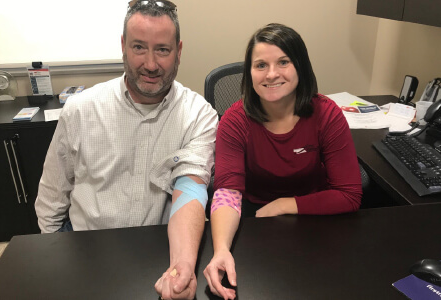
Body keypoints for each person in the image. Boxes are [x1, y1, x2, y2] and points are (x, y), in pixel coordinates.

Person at [35, 1, 218, 299]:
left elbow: (191, 187)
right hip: (86, 248)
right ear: (123, 46)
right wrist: (55, 259)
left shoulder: (199, 114)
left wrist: (181, 266)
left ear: (179, 51)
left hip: (161, 251)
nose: (150, 64)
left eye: (162, 49)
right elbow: (53, 196)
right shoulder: (81, 110)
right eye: (138, 47)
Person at [203, 23, 362, 299]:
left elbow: (349, 194)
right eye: (261, 65)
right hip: (253, 217)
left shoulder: (327, 115)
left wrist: (285, 205)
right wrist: (221, 251)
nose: (272, 74)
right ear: (249, 72)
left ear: (300, 65)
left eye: (283, 62)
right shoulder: (234, 121)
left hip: (313, 214)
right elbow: (227, 192)